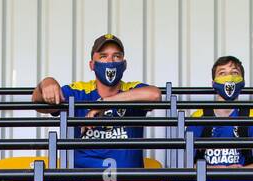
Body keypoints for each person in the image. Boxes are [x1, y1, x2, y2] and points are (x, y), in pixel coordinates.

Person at [32, 34, 162, 170]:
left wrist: (104, 104)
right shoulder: (79, 92)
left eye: (117, 56)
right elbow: (38, 103)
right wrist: (46, 82)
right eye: (103, 56)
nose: (110, 61)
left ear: (124, 64)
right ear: (92, 65)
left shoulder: (132, 89)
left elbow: (154, 94)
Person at [188, 56, 253, 170]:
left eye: (235, 73)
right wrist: (215, 170)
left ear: (242, 82)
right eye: (222, 73)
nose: (229, 77)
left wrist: (236, 171)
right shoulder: (199, 116)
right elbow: (183, 165)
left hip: (241, 179)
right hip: (206, 179)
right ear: (213, 83)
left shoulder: (252, 116)